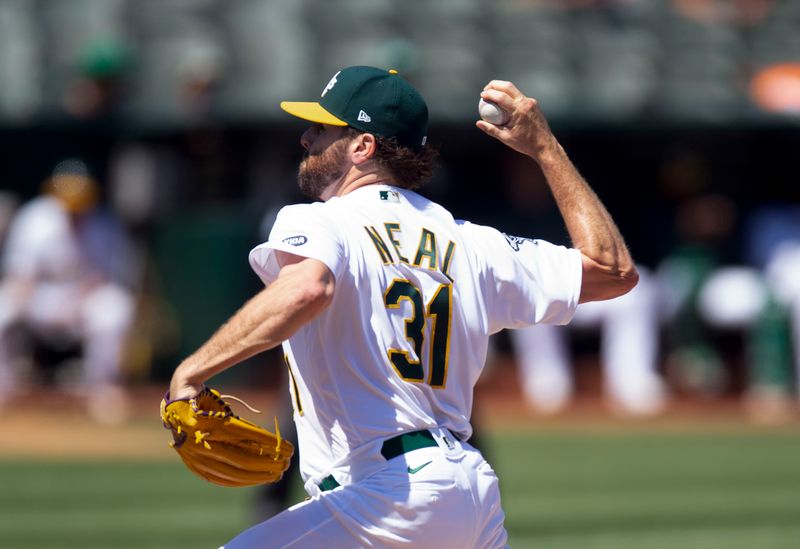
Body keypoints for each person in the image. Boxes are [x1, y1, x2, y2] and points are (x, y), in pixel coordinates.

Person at [167, 66, 638, 548]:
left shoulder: (322, 221)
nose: (306, 138)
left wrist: (193, 371)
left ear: (362, 146)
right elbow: (613, 270)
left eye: (323, 128)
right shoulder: (469, 241)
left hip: (385, 498)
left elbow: (306, 290)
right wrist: (546, 148)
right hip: (467, 492)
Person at [0, 159, 137, 423]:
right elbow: (19, 277)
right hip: (40, 297)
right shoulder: (36, 218)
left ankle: (103, 389)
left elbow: (110, 277)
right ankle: (4, 386)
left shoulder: (104, 224)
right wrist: (30, 301)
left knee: (115, 309)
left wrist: (76, 302)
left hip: (83, 299)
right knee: (3, 307)